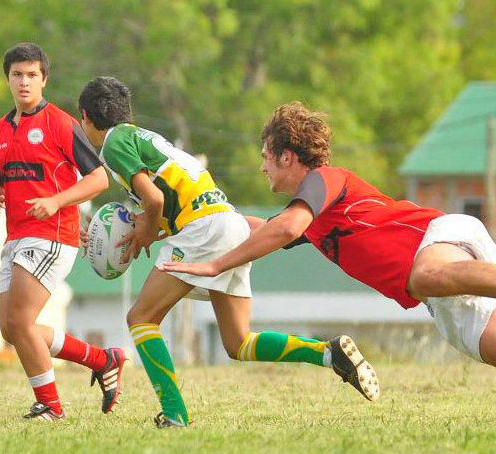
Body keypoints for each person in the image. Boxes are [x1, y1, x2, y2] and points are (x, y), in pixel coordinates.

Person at [161, 101, 496, 380]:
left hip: (439, 238)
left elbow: (283, 229)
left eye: (265, 157)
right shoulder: (310, 218)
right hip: (439, 289)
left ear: (287, 156)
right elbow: (260, 228)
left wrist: (215, 266)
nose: (261, 167)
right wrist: (187, 220)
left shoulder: (323, 181)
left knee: (426, 275)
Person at [77, 77, 376, 429]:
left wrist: (144, 232)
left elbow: (154, 199)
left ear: (85, 117)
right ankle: (327, 353)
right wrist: (146, 227)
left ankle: (174, 414)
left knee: (140, 318)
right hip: (226, 222)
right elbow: (169, 199)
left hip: (204, 229)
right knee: (238, 343)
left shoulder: (114, 143)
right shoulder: (143, 137)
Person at [0, 43, 124, 421]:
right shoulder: (0, 129)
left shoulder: (60, 123)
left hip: (52, 234)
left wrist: (56, 201)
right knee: (12, 329)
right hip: (16, 236)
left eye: (32, 75)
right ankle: (102, 359)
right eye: (17, 74)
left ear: (44, 80)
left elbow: (99, 179)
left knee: (20, 322)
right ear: (8, 79)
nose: (24, 82)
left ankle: (50, 406)